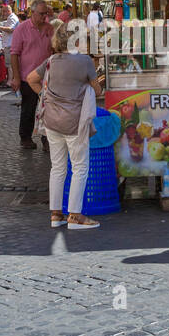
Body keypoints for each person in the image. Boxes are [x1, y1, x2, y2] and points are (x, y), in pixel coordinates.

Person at [26, 20, 104, 230]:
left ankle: (56, 215)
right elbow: (97, 91)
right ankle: (75, 216)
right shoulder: (85, 61)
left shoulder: (51, 60)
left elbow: (30, 78)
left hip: (52, 121)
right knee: (79, 167)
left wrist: (45, 95)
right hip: (74, 122)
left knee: (58, 168)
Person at [9, 0, 54, 150]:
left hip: (47, 77)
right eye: (41, 14)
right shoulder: (21, 29)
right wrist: (15, 77)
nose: (44, 17)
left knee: (48, 109)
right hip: (27, 77)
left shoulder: (49, 28)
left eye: (46, 14)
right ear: (32, 13)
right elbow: (14, 54)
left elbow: (54, 50)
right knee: (29, 107)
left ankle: (47, 139)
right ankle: (25, 137)